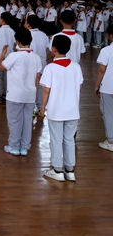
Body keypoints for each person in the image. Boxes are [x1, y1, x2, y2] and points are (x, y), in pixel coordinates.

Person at [40, 35, 83, 182]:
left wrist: (42, 108)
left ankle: (57, 169)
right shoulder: (76, 67)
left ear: (53, 49)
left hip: (56, 110)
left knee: (56, 139)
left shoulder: (50, 68)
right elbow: (79, 88)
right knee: (69, 139)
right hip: (72, 110)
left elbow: (46, 90)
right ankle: (70, 170)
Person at [0, 28, 42, 156]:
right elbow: (38, 77)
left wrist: (2, 55)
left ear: (17, 41)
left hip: (14, 95)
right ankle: (24, 147)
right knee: (27, 121)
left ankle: (14, 146)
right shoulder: (36, 57)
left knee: (14, 121)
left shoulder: (14, 56)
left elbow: (1, 67)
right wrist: (35, 94)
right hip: (30, 94)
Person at [0, 13, 16, 103]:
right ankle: (5, 94)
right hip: (10, 57)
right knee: (6, 77)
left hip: (0, 57)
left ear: (3, 20)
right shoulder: (12, 31)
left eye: (0, 18)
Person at [96, 25, 113, 152]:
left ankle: (111, 140)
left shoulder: (106, 50)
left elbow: (102, 70)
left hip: (108, 86)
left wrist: (97, 85)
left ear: (110, 35)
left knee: (108, 112)